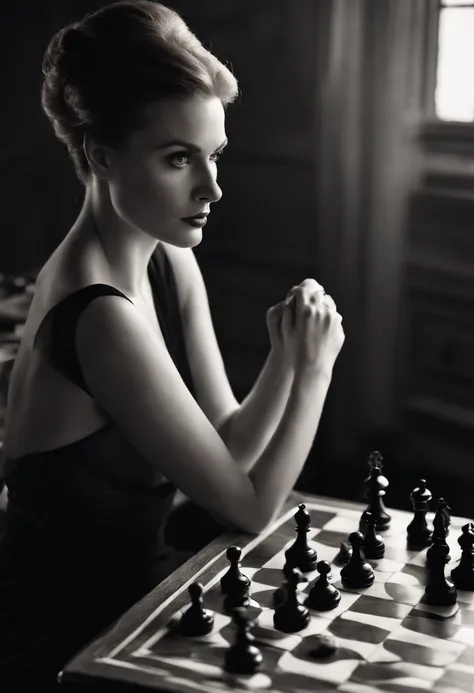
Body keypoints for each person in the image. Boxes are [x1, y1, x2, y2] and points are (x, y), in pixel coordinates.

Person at [0, 1, 344, 690]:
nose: (211, 187)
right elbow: (245, 508)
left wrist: (283, 357)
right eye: (178, 158)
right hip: (68, 643)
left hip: (144, 603)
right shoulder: (98, 314)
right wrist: (311, 373)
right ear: (100, 154)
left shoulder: (165, 255)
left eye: (213, 155)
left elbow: (227, 445)